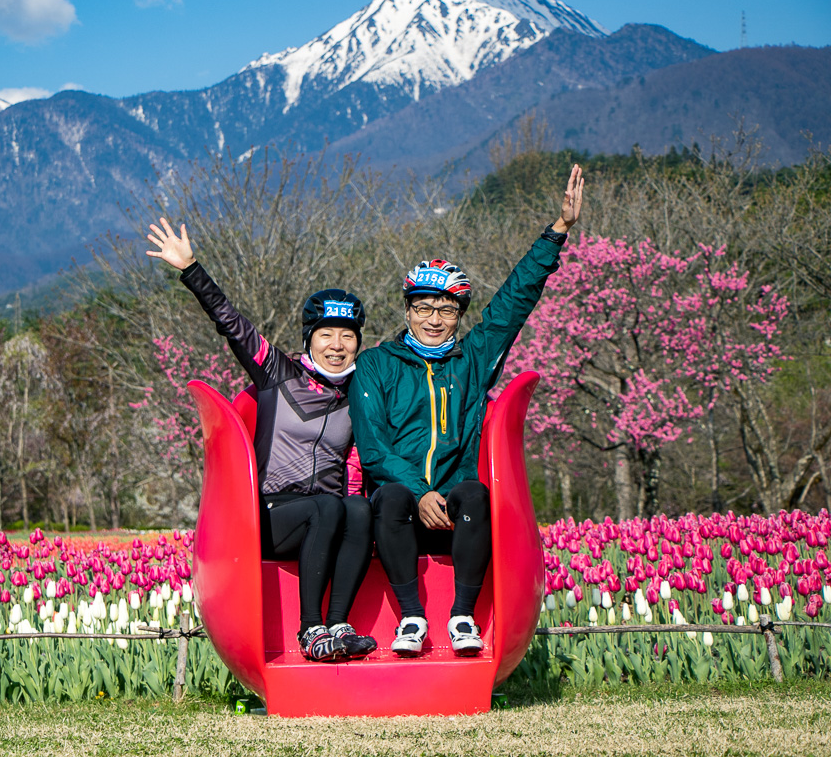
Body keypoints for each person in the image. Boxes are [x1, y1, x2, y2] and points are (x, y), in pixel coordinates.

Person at [349, 165, 585, 657]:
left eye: (447, 310)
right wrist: (420, 492)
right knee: (390, 495)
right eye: (424, 307)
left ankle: (462, 617)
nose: (434, 319)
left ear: (459, 315)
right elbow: (373, 450)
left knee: (476, 494)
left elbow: (513, 302)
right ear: (408, 310)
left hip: (456, 501)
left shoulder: (472, 360)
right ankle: (412, 618)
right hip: (398, 501)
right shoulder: (374, 365)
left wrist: (557, 232)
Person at [146, 218, 377, 662]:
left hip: (327, 518)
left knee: (360, 508)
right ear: (309, 339)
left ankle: (339, 624)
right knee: (328, 506)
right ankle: (311, 632)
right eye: (325, 334)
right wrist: (191, 268)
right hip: (273, 515)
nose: (336, 345)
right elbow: (231, 324)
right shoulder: (279, 373)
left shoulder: (360, 392)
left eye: (347, 336)